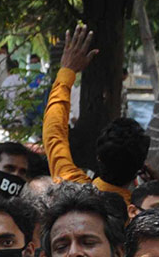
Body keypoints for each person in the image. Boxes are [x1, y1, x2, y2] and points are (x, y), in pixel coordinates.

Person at [43, 27, 150, 205]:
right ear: (140, 169)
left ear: (98, 157)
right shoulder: (140, 218)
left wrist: (67, 71)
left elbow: (54, 133)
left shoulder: (72, 188)